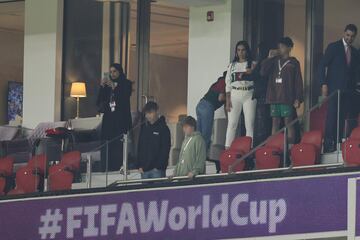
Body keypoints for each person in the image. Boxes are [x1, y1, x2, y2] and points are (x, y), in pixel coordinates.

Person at [317, 24, 360, 152]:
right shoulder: (333, 47)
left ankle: (338, 144)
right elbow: (322, 66)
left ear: (355, 37)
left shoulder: (355, 52)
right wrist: (323, 84)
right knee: (332, 116)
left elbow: (355, 72)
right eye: (347, 35)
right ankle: (329, 145)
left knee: (342, 116)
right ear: (344, 33)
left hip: (348, 91)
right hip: (334, 89)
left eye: (352, 36)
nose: (349, 38)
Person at [261, 37, 303, 143]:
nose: (280, 49)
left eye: (283, 47)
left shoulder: (293, 62)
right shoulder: (274, 61)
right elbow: (263, 72)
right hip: (273, 96)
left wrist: (298, 98)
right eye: (279, 47)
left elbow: (298, 81)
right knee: (275, 121)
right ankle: (274, 146)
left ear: (290, 48)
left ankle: (290, 147)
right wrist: (269, 58)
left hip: (286, 96)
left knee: (288, 122)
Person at [97, 63, 132, 171]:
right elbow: (99, 101)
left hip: (121, 119)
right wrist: (102, 87)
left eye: (114, 71)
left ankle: (119, 168)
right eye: (111, 72)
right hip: (109, 119)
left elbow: (123, 98)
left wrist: (114, 87)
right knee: (108, 146)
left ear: (119, 72)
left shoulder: (126, 83)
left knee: (119, 146)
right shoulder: (107, 86)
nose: (112, 74)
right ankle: (107, 169)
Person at [225, 41, 257, 148]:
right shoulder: (232, 66)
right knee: (232, 123)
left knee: (249, 124)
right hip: (235, 94)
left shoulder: (253, 64)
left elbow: (258, 78)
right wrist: (227, 100)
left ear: (247, 51)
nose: (241, 52)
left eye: (243, 50)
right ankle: (227, 148)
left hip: (249, 93)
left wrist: (252, 72)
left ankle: (249, 148)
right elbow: (228, 84)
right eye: (238, 50)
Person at [137, 101, 171, 179]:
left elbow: (165, 148)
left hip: (157, 170)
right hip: (144, 170)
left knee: (158, 191)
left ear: (156, 112)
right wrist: (139, 165)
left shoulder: (163, 128)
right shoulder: (144, 128)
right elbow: (140, 147)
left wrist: (159, 166)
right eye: (146, 113)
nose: (148, 116)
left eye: (150, 113)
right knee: (145, 191)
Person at [196, 71, 226, 150]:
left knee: (198, 135)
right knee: (206, 135)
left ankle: (195, 156)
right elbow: (221, 98)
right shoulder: (224, 82)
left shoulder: (217, 83)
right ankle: (202, 158)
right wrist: (230, 98)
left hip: (200, 104)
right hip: (207, 107)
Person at [252, 42, 272, 147]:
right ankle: (262, 146)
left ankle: (261, 147)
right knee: (264, 123)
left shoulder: (264, 63)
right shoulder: (265, 62)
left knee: (262, 123)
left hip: (264, 95)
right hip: (267, 95)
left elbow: (257, 75)